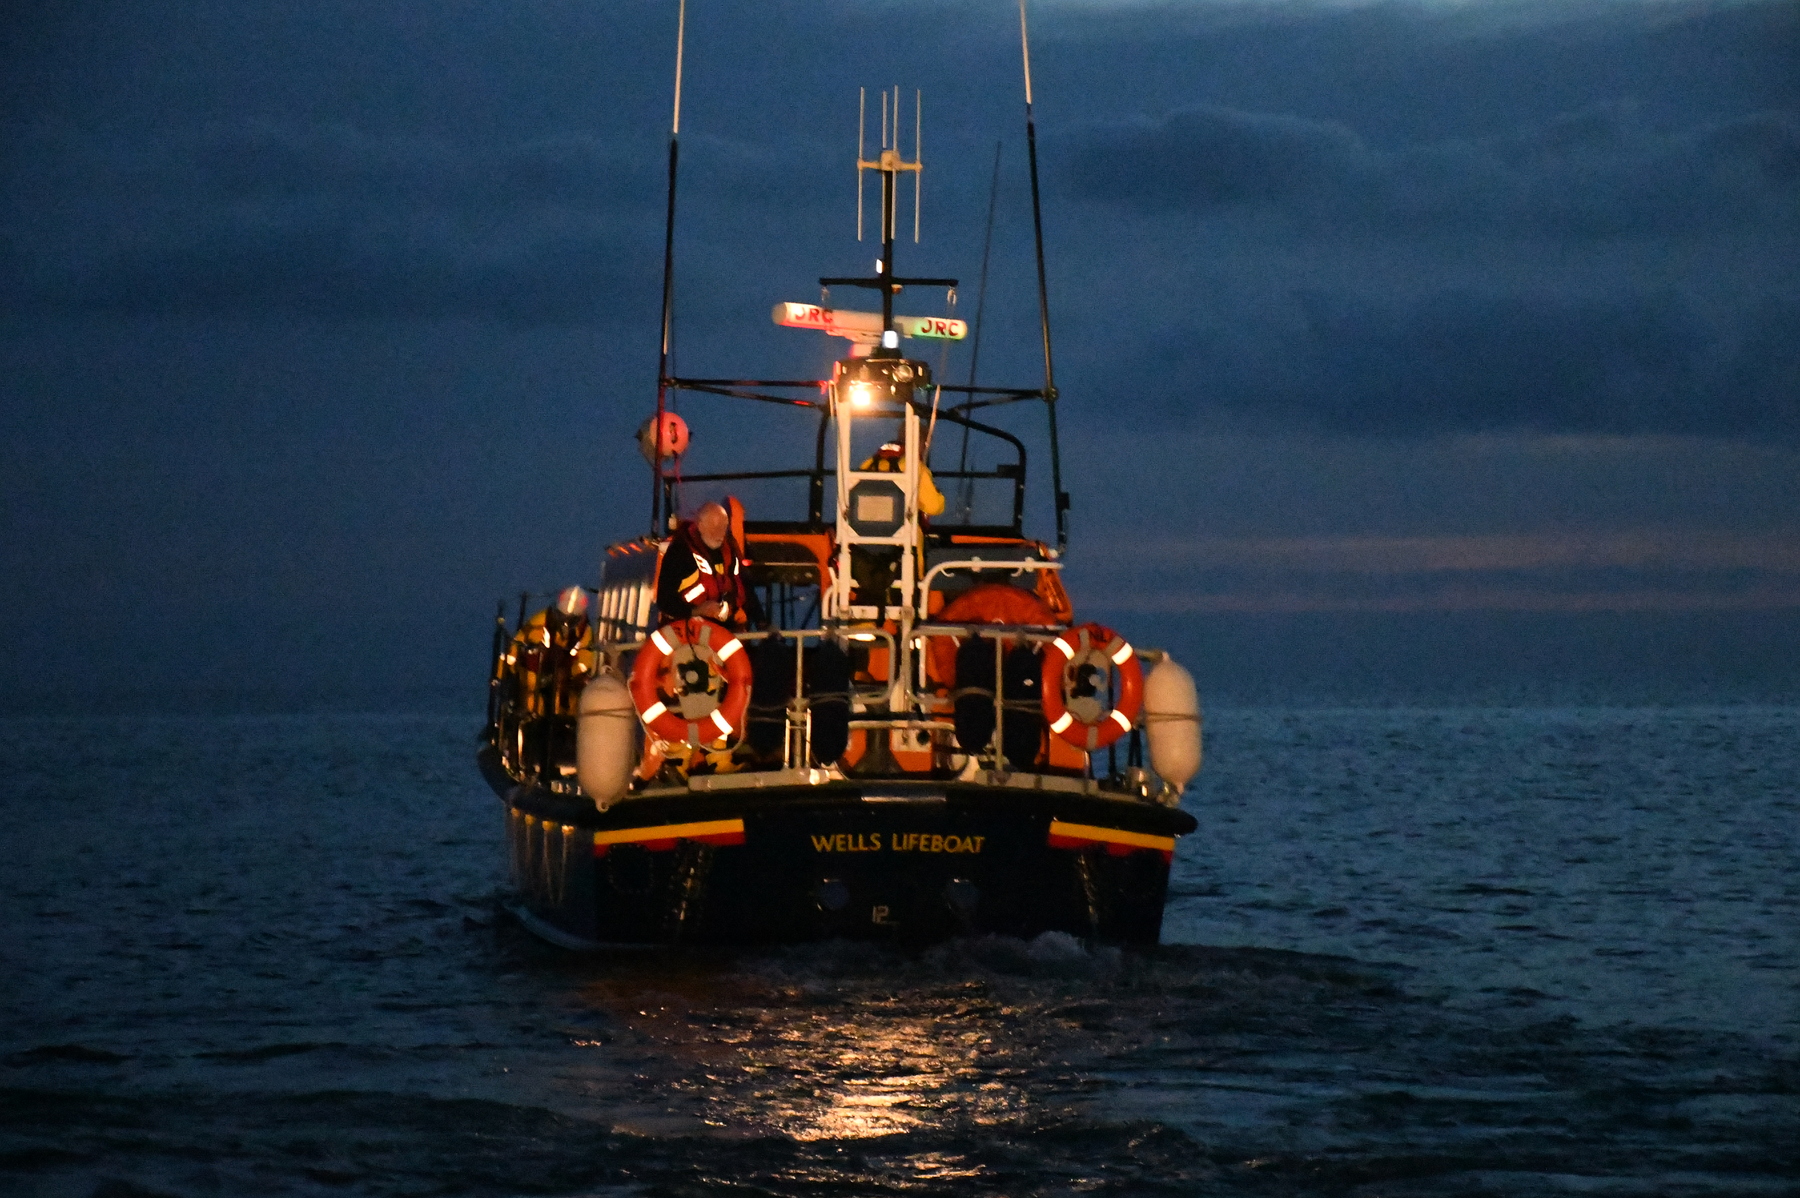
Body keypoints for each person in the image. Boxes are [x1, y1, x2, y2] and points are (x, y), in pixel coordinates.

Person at [656, 500, 766, 627]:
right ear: (700, 525)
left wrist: (761, 621)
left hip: (726, 629)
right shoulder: (680, 552)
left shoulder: (730, 549)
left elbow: (746, 588)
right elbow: (664, 601)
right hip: (688, 631)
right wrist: (697, 610)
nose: (719, 533)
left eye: (723, 527)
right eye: (714, 527)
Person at [861, 441, 945, 517]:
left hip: (863, 530)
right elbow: (934, 507)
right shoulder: (915, 466)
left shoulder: (869, 463)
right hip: (904, 531)